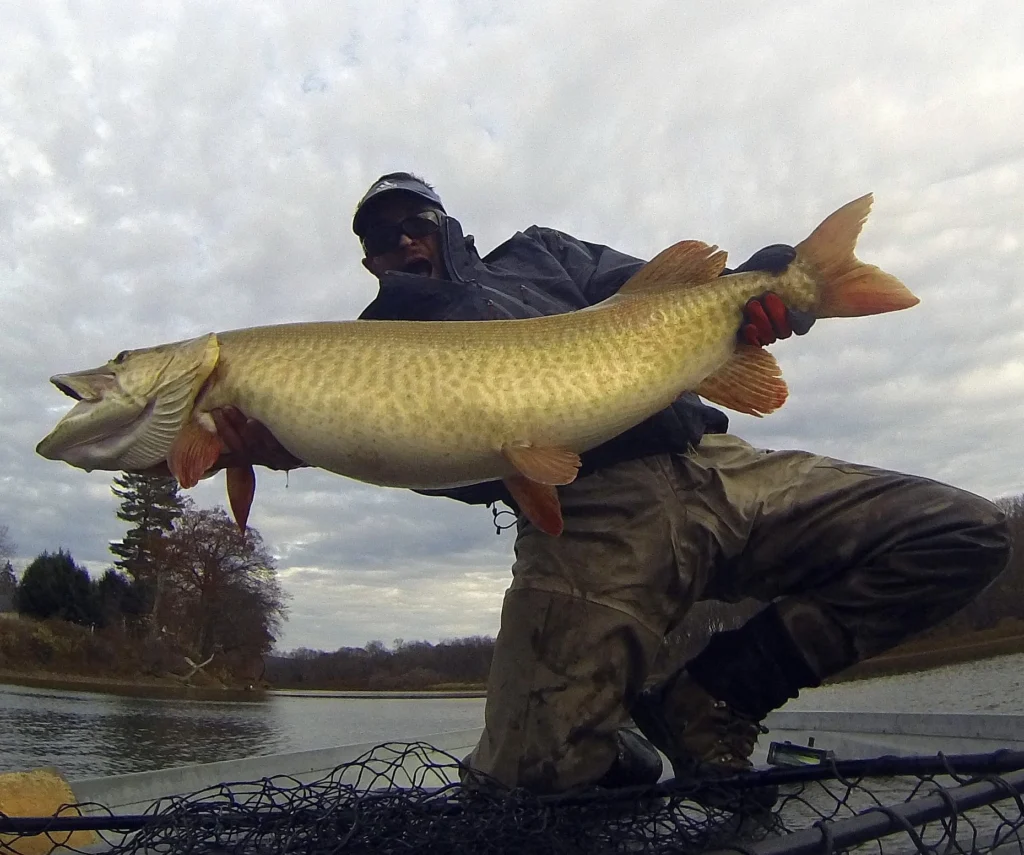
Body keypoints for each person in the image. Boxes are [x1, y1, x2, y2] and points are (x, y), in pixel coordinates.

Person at [213, 173, 1011, 795]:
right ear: (370, 261)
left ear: (444, 225)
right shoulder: (368, 346)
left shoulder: (538, 254)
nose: (404, 243)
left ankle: (716, 694)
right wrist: (287, 445)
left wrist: (771, 286)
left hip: (713, 465)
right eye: (382, 240)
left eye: (414, 223)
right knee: (531, 776)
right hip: (589, 521)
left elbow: (666, 295)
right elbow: (427, 464)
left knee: (963, 532)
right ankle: (613, 728)